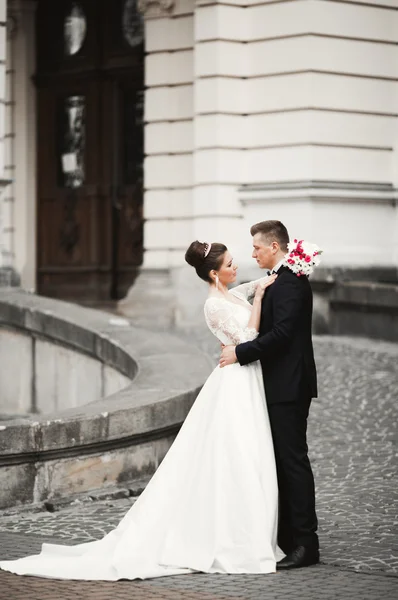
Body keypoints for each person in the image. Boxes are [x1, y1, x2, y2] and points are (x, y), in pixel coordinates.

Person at [0, 241, 283, 581]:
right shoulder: (213, 306)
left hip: (245, 380)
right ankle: (233, 535)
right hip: (234, 381)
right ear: (213, 273)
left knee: (247, 451)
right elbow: (248, 336)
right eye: (230, 264)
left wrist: (276, 274)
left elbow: (249, 288)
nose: (237, 268)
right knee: (235, 451)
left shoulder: (232, 294)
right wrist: (262, 300)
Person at [220, 220, 319, 569]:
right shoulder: (278, 279)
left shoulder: (291, 283)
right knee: (280, 461)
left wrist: (239, 353)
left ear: (274, 247)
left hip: (289, 386)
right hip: (278, 383)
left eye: (257, 248)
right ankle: (289, 537)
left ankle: (306, 544)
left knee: (292, 462)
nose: (253, 253)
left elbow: (281, 335)